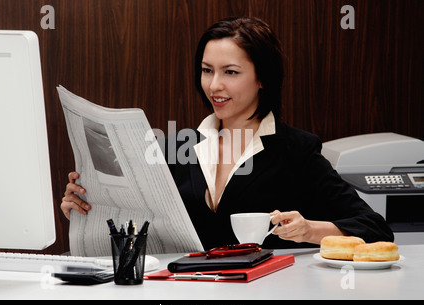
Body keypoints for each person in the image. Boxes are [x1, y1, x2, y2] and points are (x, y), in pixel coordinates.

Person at [61, 17, 394, 250]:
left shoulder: (297, 151)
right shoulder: (172, 147)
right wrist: (87, 207)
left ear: (263, 78)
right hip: (183, 298)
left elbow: (375, 229)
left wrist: (309, 230)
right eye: (207, 71)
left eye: (230, 72)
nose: (214, 85)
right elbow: (135, 232)